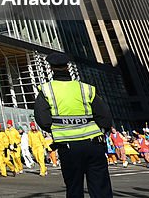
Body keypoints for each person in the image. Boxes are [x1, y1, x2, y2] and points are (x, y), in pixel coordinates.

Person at [34, 52, 113, 198]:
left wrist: (60, 128)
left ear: (51, 68)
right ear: (68, 67)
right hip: (94, 145)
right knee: (101, 189)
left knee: (74, 189)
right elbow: (105, 117)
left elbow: (43, 120)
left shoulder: (46, 90)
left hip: (69, 147)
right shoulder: (86, 88)